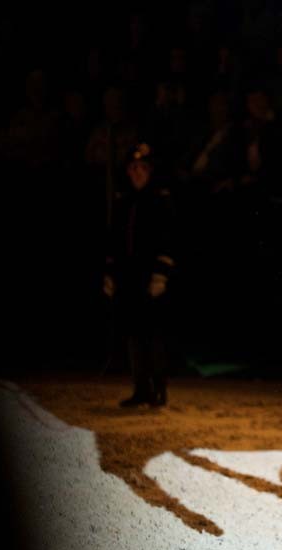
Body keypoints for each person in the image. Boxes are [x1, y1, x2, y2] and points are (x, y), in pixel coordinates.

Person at [103, 142, 176, 408]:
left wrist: (161, 275)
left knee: (152, 334)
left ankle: (158, 388)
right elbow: (113, 241)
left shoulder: (159, 200)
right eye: (132, 167)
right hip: (128, 278)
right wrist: (110, 274)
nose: (136, 172)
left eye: (141, 167)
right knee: (134, 334)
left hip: (149, 278)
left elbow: (168, 240)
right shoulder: (124, 201)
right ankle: (140, 388)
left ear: (150, 171)